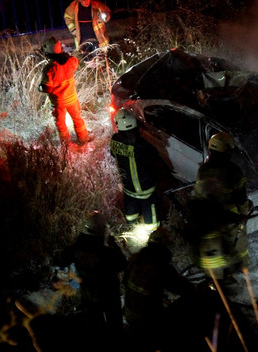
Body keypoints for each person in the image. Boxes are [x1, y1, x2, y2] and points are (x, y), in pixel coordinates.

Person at [55, 210, 127, 350]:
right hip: (110, 294)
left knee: (94, 325)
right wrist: (115, 246)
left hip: (89, 295)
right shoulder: (108, 252)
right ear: (102, 231)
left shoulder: (76, 248)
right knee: (115, 327)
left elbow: (59, 261)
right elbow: (122, 265)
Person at [190, 132, 253, 281]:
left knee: (220, 246)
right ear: (226, 151)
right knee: (239, 243)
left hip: (211, 218)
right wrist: (243, 215)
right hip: (231, 216)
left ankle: (222, 271)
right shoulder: (233, 171)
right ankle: (242, 267)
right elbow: (241, 197)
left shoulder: (204, 169)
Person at [123, 226, 196, 351]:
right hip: (148, 321)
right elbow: (186, 289)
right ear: (164, 246)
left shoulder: (134, 258)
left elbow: (125, 281)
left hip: (128, 314)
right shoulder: (162, 267)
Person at [110, 108, 163, 231]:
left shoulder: (115, 140)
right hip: (146, 189)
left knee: (131, 212)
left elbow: (114, 154)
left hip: (128, 188)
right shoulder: (142, 145)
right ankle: (153, 234)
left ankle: (131, 227)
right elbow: (156, 161)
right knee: (151, 217)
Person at [38, 36, 90, 146]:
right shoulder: (70, 61)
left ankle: (66, 145)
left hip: (58, 103)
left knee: (61, 124)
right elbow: (76, 62)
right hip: (72, 99)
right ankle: (84, 139)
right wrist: (66, 56)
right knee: (78, 119)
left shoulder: (49, 68)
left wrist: (40, 88)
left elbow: (47, 87)